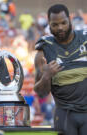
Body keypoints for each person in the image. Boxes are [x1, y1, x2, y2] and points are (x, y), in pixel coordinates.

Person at [34, 4, 87, 135]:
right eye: (55, 25)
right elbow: (41, 93)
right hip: (65, 114)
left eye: (63, 23)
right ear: (49, 24)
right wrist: (46, 76)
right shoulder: (44, 50)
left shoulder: (85, 40)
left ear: (70, 19)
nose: (60, 28)